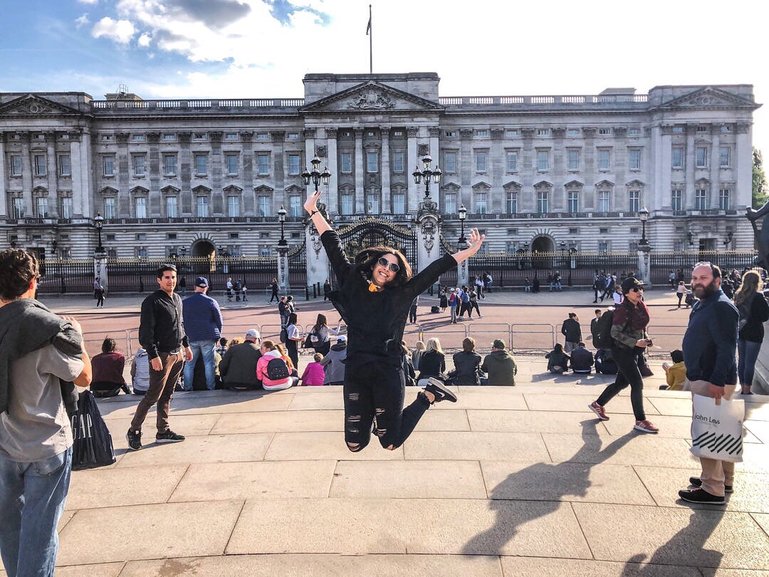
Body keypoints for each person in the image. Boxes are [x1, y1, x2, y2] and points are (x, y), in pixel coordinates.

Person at [306, 187, 484, 452]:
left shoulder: (402, 294)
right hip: (356, 369)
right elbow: (332, 244)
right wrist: (313, 211)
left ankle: (429, 395)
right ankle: (380, 419)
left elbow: (433, 271)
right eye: (384, 262)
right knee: (355, 444)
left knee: (390, 442)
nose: (387, 268)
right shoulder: (352, 281)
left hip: (387, 370)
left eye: (394, 267)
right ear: (375, 262)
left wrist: (468, 252)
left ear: (397, 273)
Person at [0, 248, 92, 577]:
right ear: (34, 282)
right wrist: (77, 335)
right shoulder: (45, 329)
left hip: (3, 445)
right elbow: (83, 377)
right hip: (46, 444)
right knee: (39, 534)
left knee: (9, 529)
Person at [678, 262, 739, 505]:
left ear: (717, 280)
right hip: (705, 375)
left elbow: (727, 348)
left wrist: (716, 381)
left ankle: (712, 488)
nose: (696, 282)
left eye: (703, 277)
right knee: (722, 429)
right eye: (694, 278)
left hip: (711, 379)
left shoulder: (722, 306)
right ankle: (723, 479)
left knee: (707, 430)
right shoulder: (707, 303)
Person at [127, 264, 192, 451]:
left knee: (168, 394)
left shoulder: (178, 299)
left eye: (173, 277)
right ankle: (134, 430)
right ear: (159, 280)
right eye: (167, 278)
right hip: (161, 355)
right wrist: (153, 355)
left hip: (177, 353)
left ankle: (163, 431)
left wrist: (186, 346)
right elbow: (146, 333)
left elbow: (180, 325)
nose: (171, 281)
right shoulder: (152, 302)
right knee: (153, 395)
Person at [588, 277, 658, 434]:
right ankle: (640, 420)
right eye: (635, 289)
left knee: (621, 383)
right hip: (622, 352)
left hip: (633, 351)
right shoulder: (622, 310)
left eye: (641, 289)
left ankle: (598, 404)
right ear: (626, 293)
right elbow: (615, 333)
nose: (639, 292)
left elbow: (639, 328)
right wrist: (634, 342)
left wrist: (645, 339)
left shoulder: (639, 307)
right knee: (637, 384)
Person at [182, 277, 223, 391]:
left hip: (192, 336)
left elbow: (181, 321)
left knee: (189, 364)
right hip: (208, 336)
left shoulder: (185, 302)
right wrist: (218, 334)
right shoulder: (211, 301)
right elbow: (219, 320)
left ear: (195, 287)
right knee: (209, 364)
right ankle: (211, 387)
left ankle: (188, 388)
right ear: (206, 288)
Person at [733, 269, 769, 395]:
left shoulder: (738, 294)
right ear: (757, 282)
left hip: (741, 331)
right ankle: (747, 390)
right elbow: (765, 316)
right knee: (750, 363)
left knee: (741, 360)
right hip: (754, 333)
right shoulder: (758, 296)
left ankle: (742, 386)